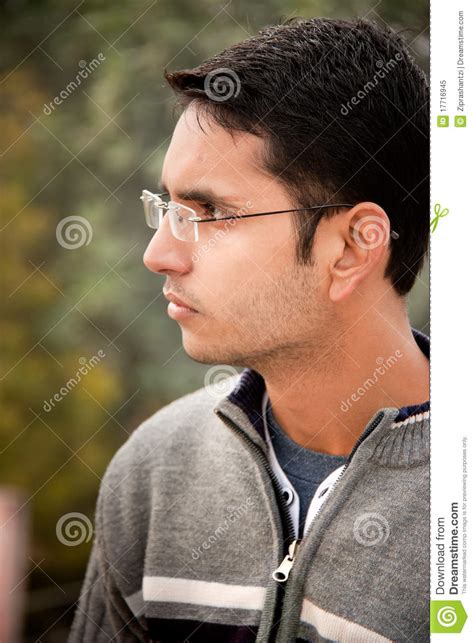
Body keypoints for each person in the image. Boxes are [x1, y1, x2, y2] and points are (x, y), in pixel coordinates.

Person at [69, 15, 430, 643]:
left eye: (210, 213)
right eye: (168, 208)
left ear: (351, 246)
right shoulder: (156, 472)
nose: (159, 254)